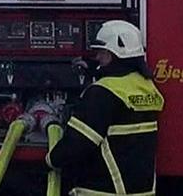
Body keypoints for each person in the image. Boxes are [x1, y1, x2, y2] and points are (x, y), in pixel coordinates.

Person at [46, 20, 164, 196]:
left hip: (103, 191)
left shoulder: (103, 93)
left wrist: (51, 160)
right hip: (141, 191)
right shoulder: (145, 86)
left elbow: (78, 143)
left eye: (102, 52)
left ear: (116, 53)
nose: (98, 57)